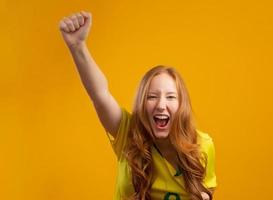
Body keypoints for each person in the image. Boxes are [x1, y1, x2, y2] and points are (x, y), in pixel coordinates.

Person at [59, 11, 217, 200]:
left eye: (170, 97)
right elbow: (100, 95)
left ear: (181, 105)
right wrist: (78, 47)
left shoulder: (202, 146)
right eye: (152, 96)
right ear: (142, 103)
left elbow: (207, 192)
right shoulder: (128, 133)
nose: (161, 105)